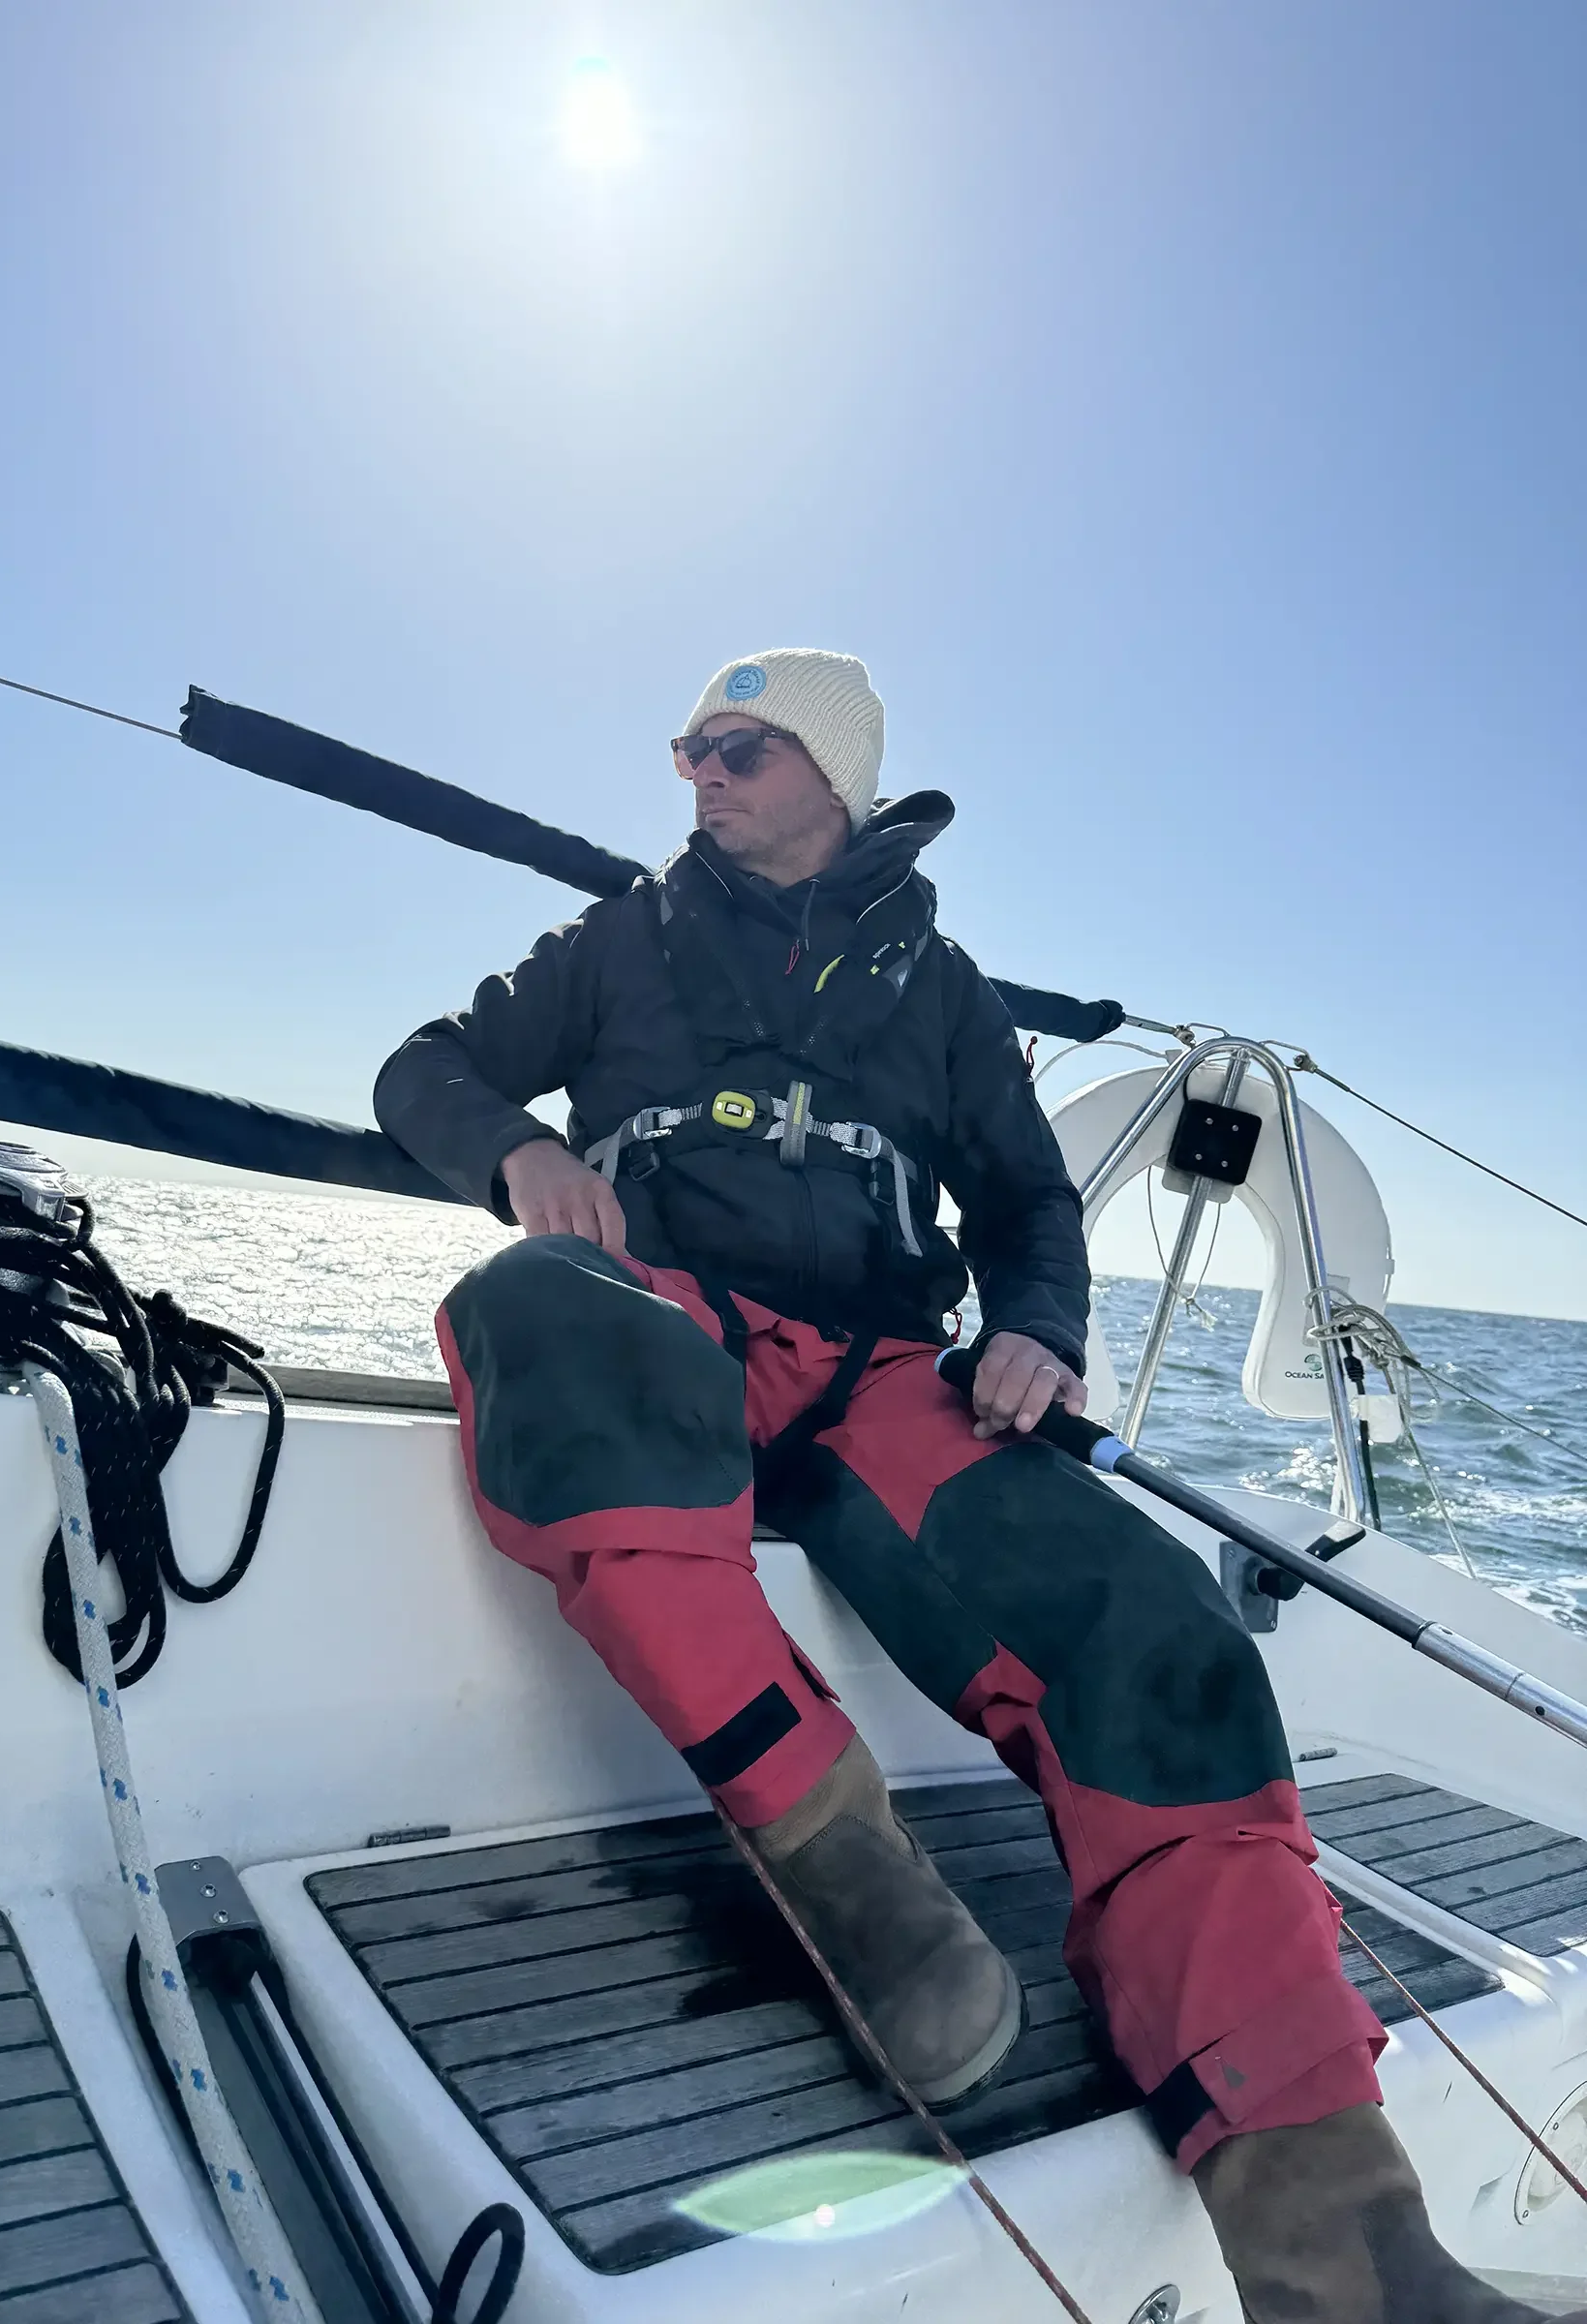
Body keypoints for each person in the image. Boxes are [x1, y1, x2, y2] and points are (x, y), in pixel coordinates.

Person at [376, 648, 1570, 2323]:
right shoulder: (622, 938)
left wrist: (1034, 1331)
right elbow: (426, 1062)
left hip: (881, 1377)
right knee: (526, 1317)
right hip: (668, 1326)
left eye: (736, 745)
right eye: (689, 748)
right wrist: (523, 1152)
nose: (697, 775)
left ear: (834, 776)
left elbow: (1027, 1204)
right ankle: (851, 1875)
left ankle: (1348, 2244)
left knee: (1155, 1631)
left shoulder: (941, 989)